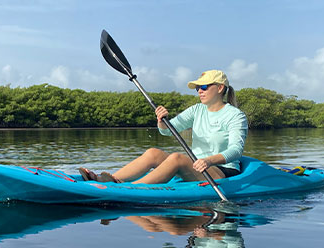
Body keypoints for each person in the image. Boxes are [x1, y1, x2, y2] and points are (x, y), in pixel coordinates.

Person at [79, 70, 248, 184]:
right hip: (197, 165)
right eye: (197, 88)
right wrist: (161, 120)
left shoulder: (235, 115)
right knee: (153, 153)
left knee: (177, 158)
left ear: (219, 88)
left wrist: (208, 160)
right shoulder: (197, 110)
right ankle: (109, 180)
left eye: (204, 87)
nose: (199, 91)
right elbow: (167, 130)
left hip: (222, 171)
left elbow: (236, 150)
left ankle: (129, 189)